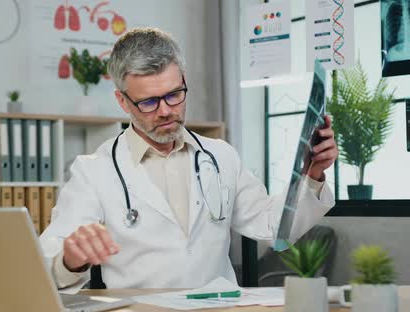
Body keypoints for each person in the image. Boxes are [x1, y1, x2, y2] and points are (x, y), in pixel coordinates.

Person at [40, 27, 339, 291]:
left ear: (183, 80)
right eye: (148, 102)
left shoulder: (220, 155)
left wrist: (312, 175)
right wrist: (71, 259)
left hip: (217, 307)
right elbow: (48, 264)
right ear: (122, 101)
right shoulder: (93, 170)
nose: (166, 111)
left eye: (174, 94)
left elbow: (274, 228)